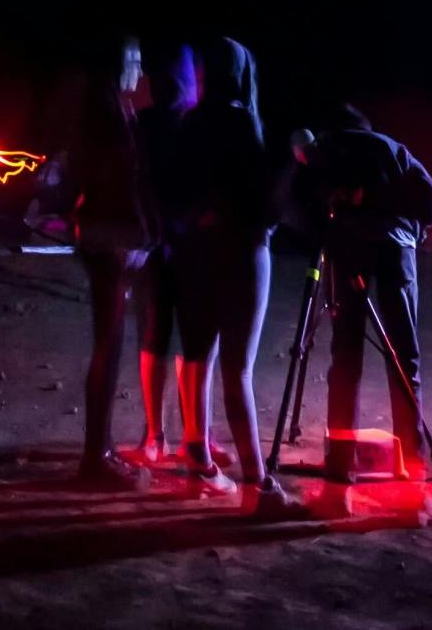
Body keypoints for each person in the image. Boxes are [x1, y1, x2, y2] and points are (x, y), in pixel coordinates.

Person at [168, 37, 294, 512]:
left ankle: (197, 457)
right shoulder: (243, 121)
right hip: (241, 251)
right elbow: (261, 203)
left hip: (196, 251)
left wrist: (200, 214)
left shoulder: (191, 122)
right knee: (237, 368)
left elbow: (176, 189)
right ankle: (256, 485)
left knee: (198, 354)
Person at [293, 101, 432, 503]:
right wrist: (412, 231)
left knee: (346, 354)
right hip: (398, 249)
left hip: (350, 248)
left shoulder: (330, 146)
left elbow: (302, 196)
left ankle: (341, 464)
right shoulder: (394, 148)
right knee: (403, 353)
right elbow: (431, 200)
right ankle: (412, 458)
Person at [64, 33, 157, 489]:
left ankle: (98, 449)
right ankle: (94, 456)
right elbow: (116, 180)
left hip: (104, 234)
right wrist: (134, 235)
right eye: (134, 60)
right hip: (108, 239)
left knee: (111, 341)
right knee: (109, 342)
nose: (140, 69)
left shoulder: (108, 107)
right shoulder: (106, 113)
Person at [122, 41, 198, 470]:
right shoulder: (170, 125)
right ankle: (175, 435)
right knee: (171, 338)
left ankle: (170, 437)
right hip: (170, 244)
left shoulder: (157, 125)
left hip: (166, 244)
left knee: (167, 340)